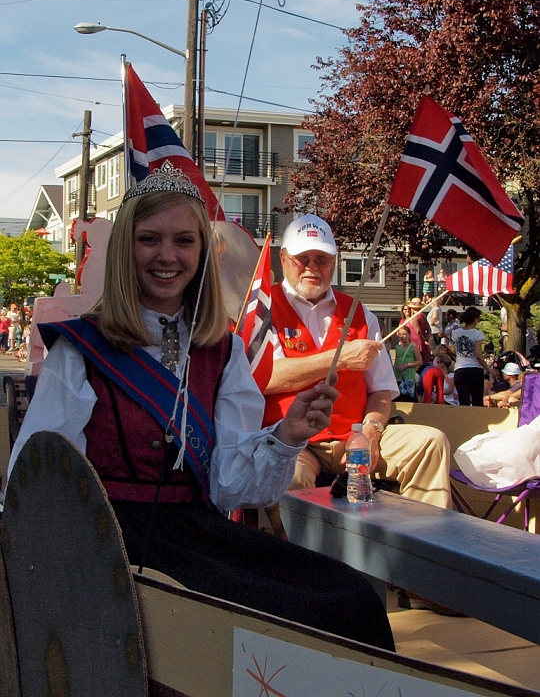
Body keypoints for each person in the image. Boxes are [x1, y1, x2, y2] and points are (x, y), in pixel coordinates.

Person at [7, 164, 394, 651]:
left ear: (201, 252)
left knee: (350, 599)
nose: (167, 256)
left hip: (197, 535)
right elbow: (38, 474)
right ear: (127, 248)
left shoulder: (223, 350)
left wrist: (287, 436)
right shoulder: (82, 349)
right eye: (149, 239)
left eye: (184, 241)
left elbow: (228, 485)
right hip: (108, 540)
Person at [263, 214, 452, 513]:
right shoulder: (264, 308)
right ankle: (309, 557)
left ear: (334, 261)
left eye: (322, 259)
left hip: (356, 435)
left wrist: (371, 432)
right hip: (293, 441)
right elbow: (267, 378)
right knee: (292, 476)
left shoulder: (360, 313)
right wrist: (339, 359)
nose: (312, 267)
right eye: (303, 258)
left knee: (430, 443)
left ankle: (421, 546)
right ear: (284, 259)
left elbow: (381, 391)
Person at [453, 306, 495, 406]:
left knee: (463, 401)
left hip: (460, 369)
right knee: (477, 401)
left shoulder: (456, 332)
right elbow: (477, 354)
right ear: (476, 319)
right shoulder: (478, 334)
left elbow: (455, 349)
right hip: (475, 370)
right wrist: (489, 369)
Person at [392, 325, 422, 401]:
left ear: (409, 335)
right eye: (400, 334)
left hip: (408, 377)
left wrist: (407, 365)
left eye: (404, 334)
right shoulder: (397, 347)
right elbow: (396, 360)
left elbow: (420, 361)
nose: (402, 336)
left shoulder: (413, 346)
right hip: (398, 376)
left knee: (408, 398)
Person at [406, 297, 431, 366]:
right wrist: (427, 338)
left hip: (416, 342)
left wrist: (423, 339)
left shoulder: (414, 318)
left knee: (418, 360)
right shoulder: (423, 316)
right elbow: (429, 329)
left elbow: (418, 332)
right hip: (423, 341)